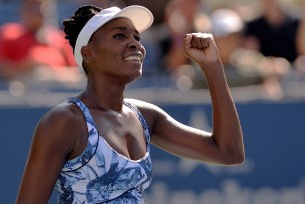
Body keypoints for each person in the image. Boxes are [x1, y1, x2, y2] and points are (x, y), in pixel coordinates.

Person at [16, 4, 245, 203]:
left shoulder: (145, 116)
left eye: (137, 37)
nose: (135, 44)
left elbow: (229, 153)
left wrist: (212, 67)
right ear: (88, 53)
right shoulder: (65, 121)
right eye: (119, 36)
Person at [0, 0, 76, 80]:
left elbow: (76, 74)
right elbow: (1, 68)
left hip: (56, 89)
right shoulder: (9, 34)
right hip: (18, 89)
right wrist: (25, 69)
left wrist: (49, 71)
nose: (38, 11)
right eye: (32, 6)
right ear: (23, 10)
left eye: (44, 7)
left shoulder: (62, 39)